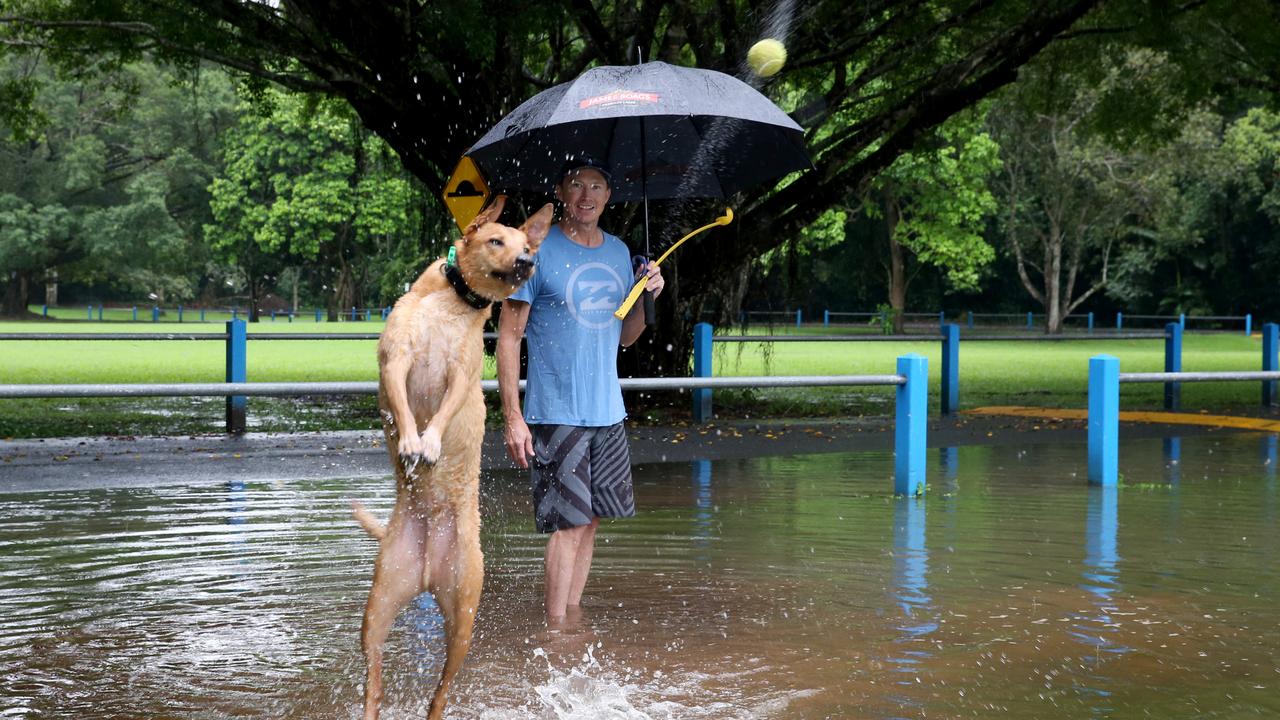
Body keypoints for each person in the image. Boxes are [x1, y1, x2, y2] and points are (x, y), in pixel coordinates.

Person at [497, 156, 664, 623]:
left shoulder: (619, 252)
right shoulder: (535, 251)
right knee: (567, 525)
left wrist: (647, 295)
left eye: (596, 186)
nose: (586, 196)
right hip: (557, 410)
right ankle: (555, 635)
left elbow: (625, 335)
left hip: (608, 411)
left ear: (609, 196)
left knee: (590, 521)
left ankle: (572, 619)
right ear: (560, 192)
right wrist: (513, 416)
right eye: (576, 185)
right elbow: (509, 337)